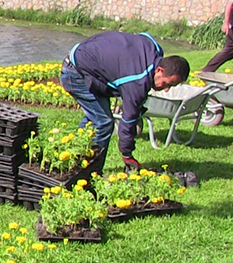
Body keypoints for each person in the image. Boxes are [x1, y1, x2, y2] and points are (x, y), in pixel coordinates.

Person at [60, 32, 190, 172]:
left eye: (170, 87)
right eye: (166, 83)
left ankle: (74, 160)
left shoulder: (155, 49)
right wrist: (127, 154)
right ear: (159, 70)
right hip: (76, 72)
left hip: (89, 58)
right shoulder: (137, 82)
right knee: (103, 122)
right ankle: (89, 172)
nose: (165, 89)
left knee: (95, 118)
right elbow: (127, 122)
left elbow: (144, 35)